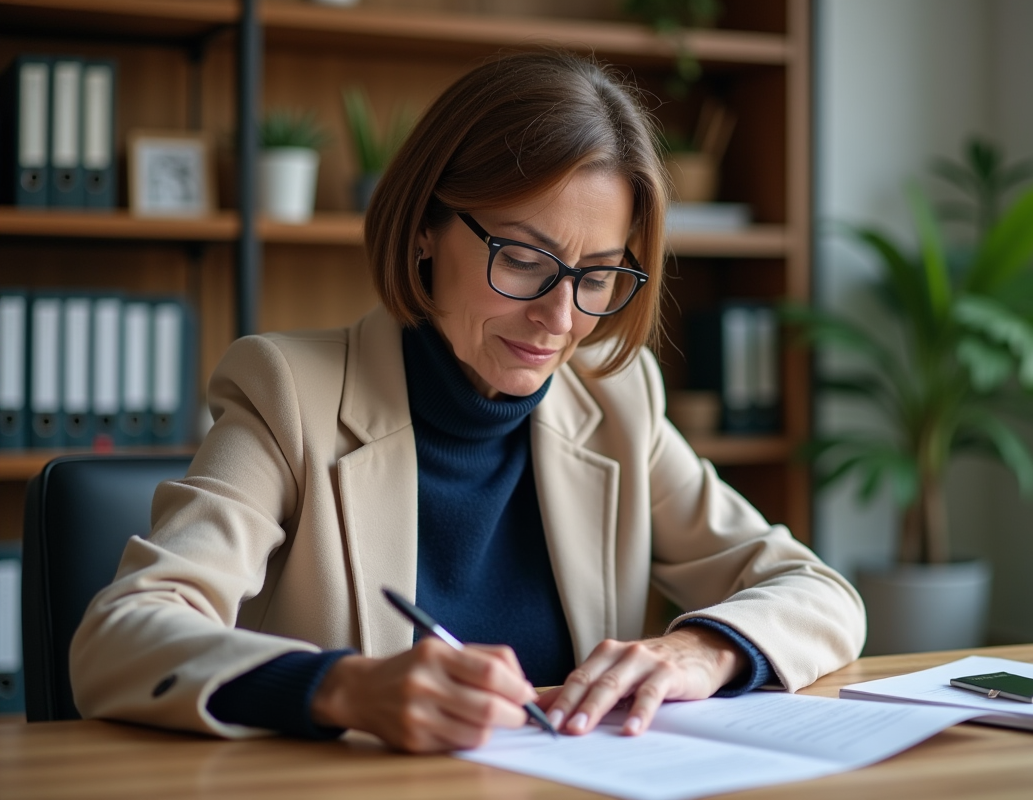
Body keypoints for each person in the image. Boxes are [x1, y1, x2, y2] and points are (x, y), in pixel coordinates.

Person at [70, 50, 865, 753]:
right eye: (524, 259)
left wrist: (701, 649)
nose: (560, 320)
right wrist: (341, 688)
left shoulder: (616, 399)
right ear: (424, 229)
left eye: (596, 275)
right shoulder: (288, 393)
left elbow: (820, 594)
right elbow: (120, 638)